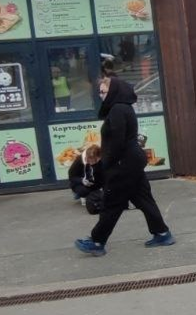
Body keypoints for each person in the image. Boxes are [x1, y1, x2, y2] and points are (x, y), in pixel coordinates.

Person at [75, 76, 174, 256]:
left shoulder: (117, 110)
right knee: (143, 198)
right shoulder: (123, 107)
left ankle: (97, 241)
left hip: (123, 164)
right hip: (131, 162)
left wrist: (107, 163)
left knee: (112, 203)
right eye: (99, 92)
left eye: (103, 92)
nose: (101, 95)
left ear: (113, 91)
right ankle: (162, 233)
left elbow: (117, 141)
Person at [67, 144, 104, 210]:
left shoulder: (102, 158)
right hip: (81, 182)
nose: (91, 163)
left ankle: (95, 194)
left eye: (95, 160)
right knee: (84, 191)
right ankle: (80, 195)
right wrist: (82, 181)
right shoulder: (79, 161)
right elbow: (71, 177)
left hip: (95, 180)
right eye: (90, 160)